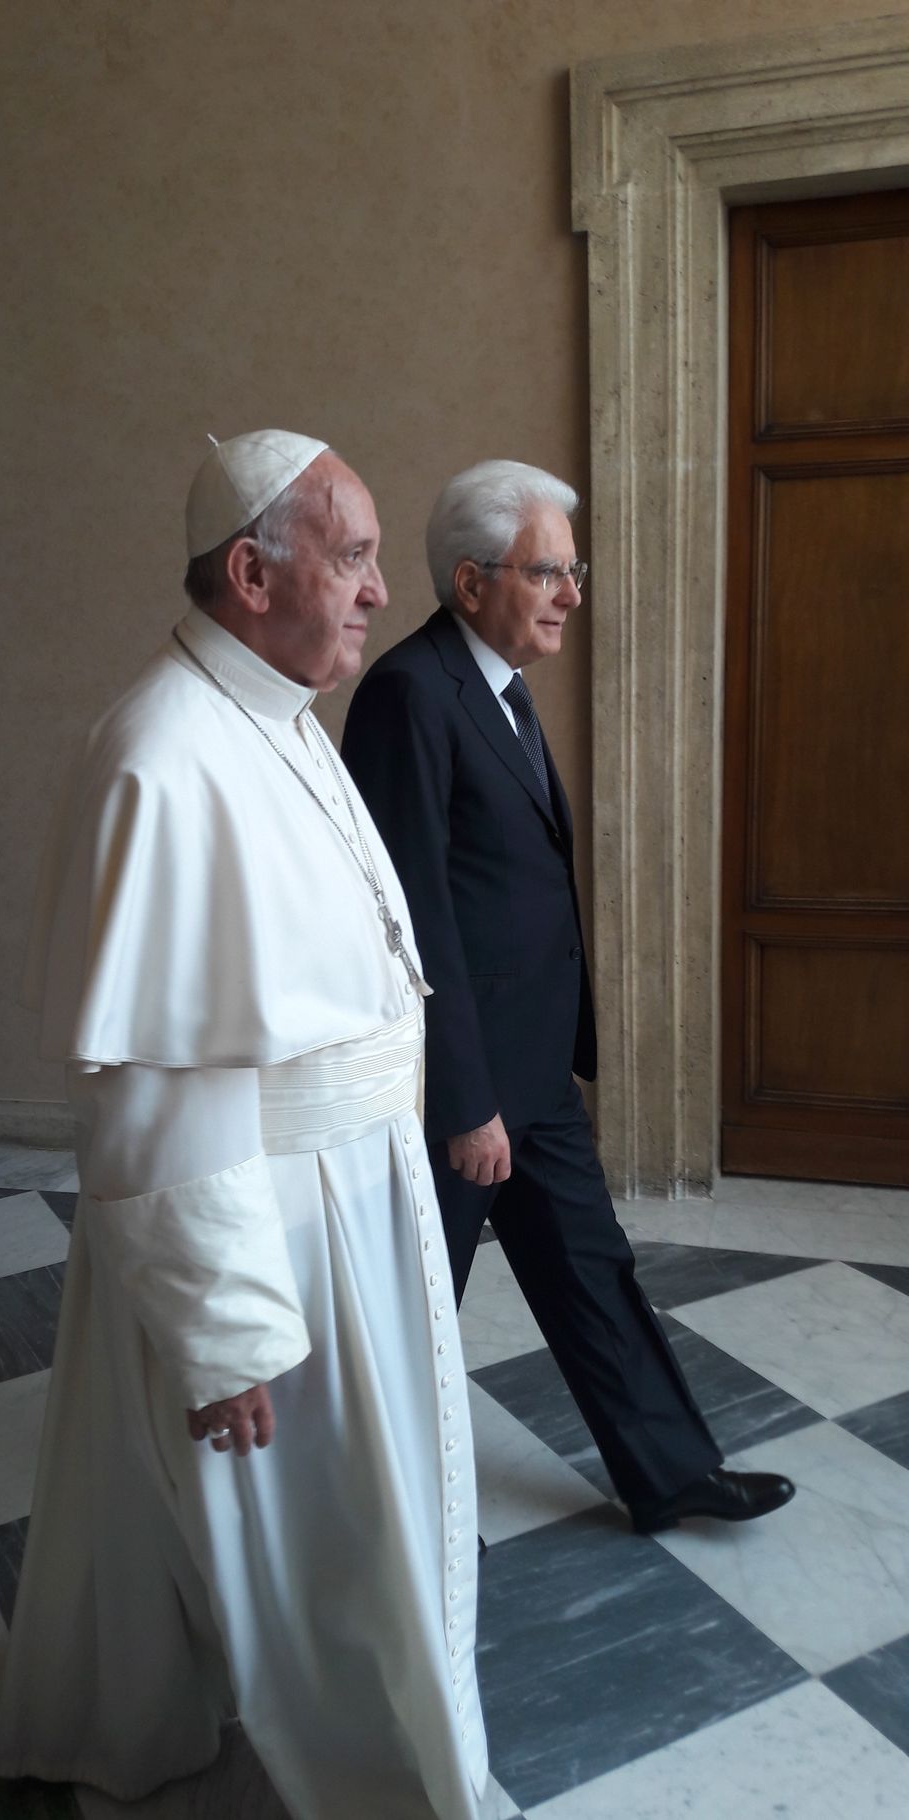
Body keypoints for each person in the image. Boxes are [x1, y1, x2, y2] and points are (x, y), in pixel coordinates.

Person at [0, 431, 488, 1820]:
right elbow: (155, 1083)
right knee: (315, 1539)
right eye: (354, 557)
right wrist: (225, 1333)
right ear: (253, 571)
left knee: (311, 1535)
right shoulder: (160, 751)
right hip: (270, 1220)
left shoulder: (274, 716)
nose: (381, 592)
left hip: (349, 1185)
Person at [342, 458, 795, 1537]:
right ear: (470, 579)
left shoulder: (495, 685)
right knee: (407, 1309)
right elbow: (408, 916)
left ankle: (670, 1471)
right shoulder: (410, 693)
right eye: (548, 571)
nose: (570, 594)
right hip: (460, 1089)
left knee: (593, 1270)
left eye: (570, 570)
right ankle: (354, 1516)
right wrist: (461, 1101)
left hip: (531, 1068)